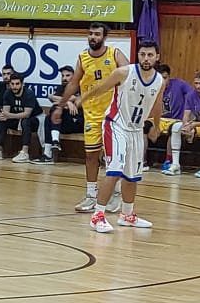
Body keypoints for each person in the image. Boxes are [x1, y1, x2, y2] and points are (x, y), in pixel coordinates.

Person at [81, 40, 165, 233]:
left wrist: (157, 125)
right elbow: (101, 87)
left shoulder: (160, 80)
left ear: (157, 57)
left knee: (132, 175)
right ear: (138, 55)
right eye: (142, 54)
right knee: (115, 170)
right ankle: (97, 215)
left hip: (136, 130)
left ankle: (127, 215)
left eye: (150, 55)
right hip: (116, 125)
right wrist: (82, 98)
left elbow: (157, 104)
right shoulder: (124, 72)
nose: (146, 58)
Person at [59, 22, 129, 213]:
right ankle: (91, 195)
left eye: (97, 34)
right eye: (90, 33)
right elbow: (74, 83)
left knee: (111, 156)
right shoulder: (83, 58)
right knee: (90, 155)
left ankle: (116, 194)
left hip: (113, 114)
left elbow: (129, 74)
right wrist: (61, 105)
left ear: (104, 37)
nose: (93, 37)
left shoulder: (114, 54)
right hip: (91, 114)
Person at [32, 65, 83, 164]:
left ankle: (54, 144)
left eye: (67, 75)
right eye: (63, 76)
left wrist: (63, 102)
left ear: (74, 76)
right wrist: (67, 102)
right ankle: (48, 153)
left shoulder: (80, 87)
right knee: (49, 118)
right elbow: (50, 97)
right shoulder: (61, 88)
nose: (64, 78)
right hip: (62, 124)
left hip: (77, 122)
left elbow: (75, 99)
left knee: (56, 108)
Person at [0, 73, 42, 162]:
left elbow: (27, 114)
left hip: (34, 119)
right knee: (3, 120)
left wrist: (8, 115)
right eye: (12, 84)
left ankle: (24, 153)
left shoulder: (29, 93)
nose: (14, 87)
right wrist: (5, 116)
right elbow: (5, 112)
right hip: (16, 118)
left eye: (17, 84)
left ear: (22, 84)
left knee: (25, 121)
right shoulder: (8, 93)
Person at [156, 64, 191, 175]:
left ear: (169, 77)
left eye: (165, 78)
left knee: (173, 129)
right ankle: (142, 161)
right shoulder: (152, 87)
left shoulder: (180, 84)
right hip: (160, 119)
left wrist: (187, 114)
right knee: (144, 127)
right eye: (160, 78)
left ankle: (169, 160)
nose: (163, 81)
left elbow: (192, 95)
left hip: (176, 119)